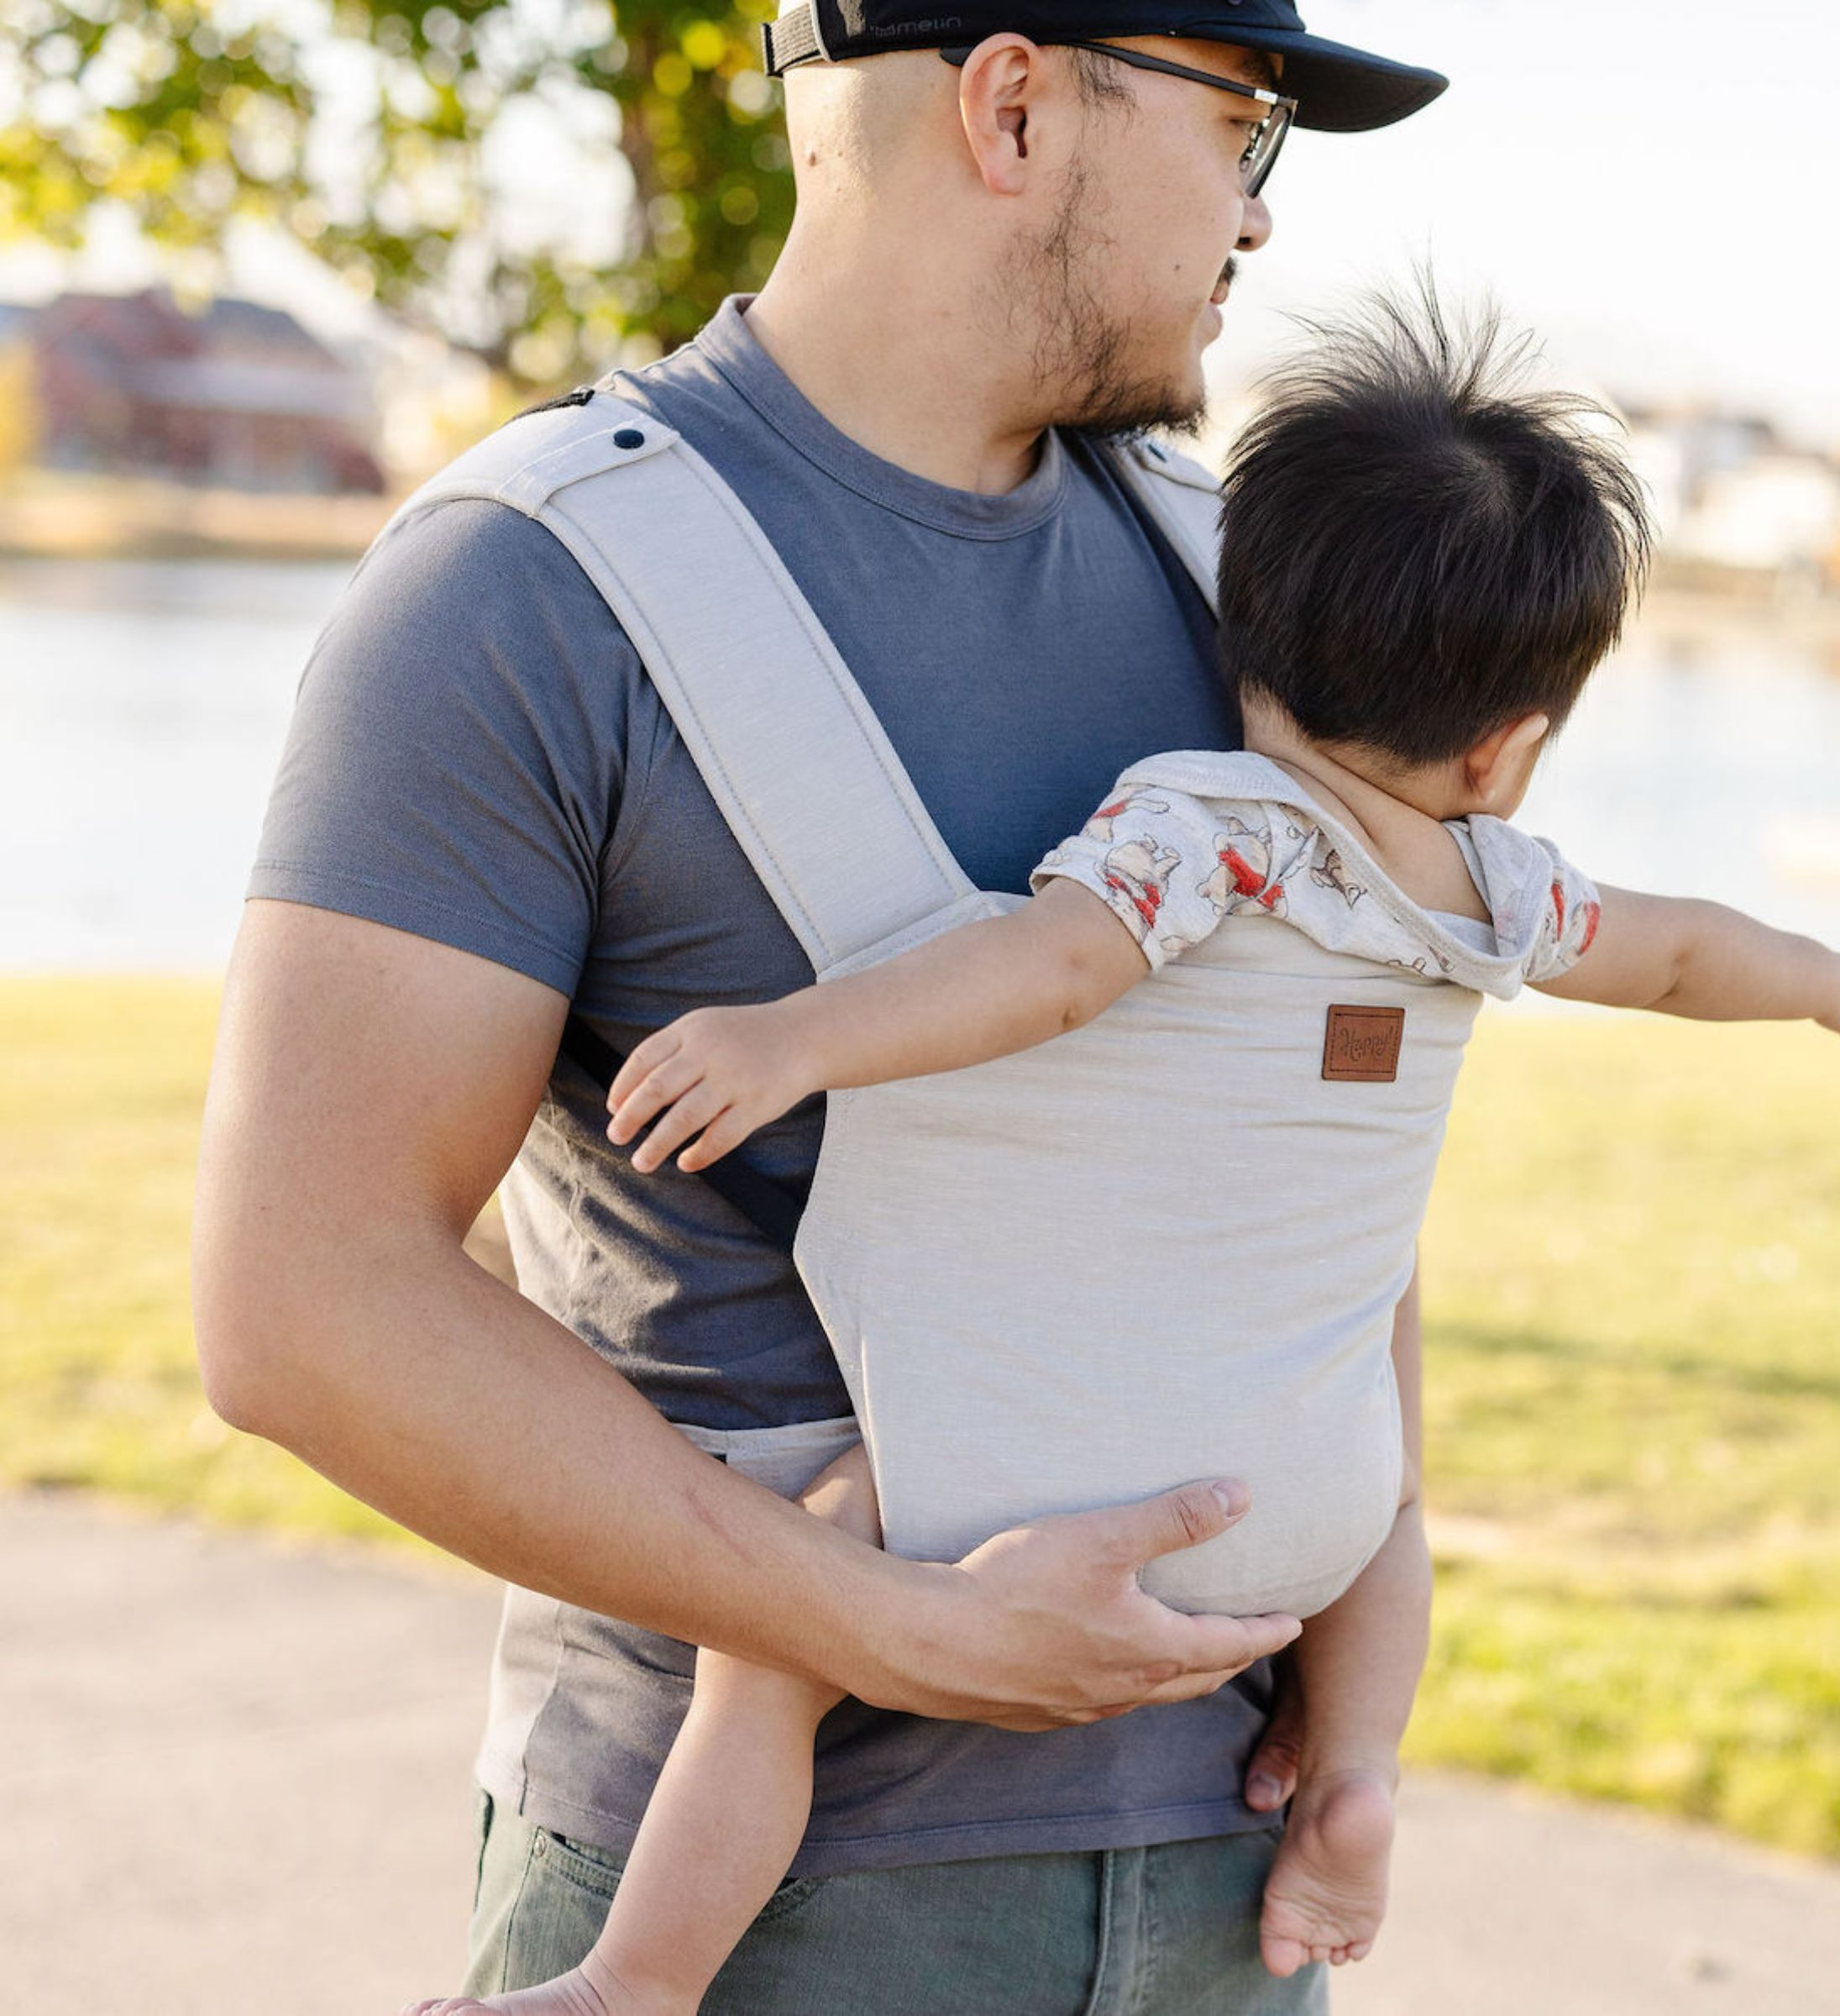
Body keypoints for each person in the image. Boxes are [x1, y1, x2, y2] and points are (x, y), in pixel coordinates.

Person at [398, 297, 1840, 2016]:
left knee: (769, 1657)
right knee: (1397, 1497)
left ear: (1240, 637)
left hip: (1014, 1489)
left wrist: (795, 1039)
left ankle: (632, 1982)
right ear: (1506, 749)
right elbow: (1686, 951)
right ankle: (1350, 1778)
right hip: (1308, 1509)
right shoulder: (1499, 893)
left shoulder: (1208, 829)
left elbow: (1044, 973)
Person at [194, 8, 1456, 2011]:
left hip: (1232, 1895)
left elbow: (1327, 1149)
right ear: (1014, 105)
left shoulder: (1251, 591)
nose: (1259, 217)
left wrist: (1358, 1691)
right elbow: (306, 1304)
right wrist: (896, 1629)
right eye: (1248, 130)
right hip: (747, 1924)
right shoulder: (521, 594)